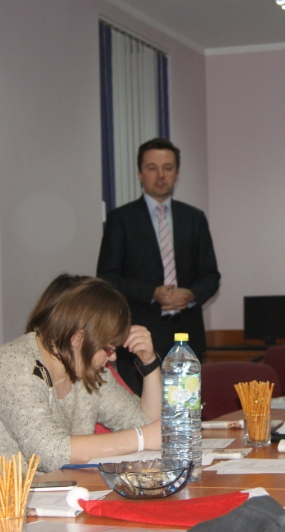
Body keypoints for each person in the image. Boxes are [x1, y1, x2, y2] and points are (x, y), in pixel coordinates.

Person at [0, 277, 163, 499]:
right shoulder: (12, 366)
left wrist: (150, 363)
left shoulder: (83, 369)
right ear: (78, 339)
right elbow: (51, 453)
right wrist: (142, 438)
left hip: (31, 505)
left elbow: (145, 422)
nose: (112, 358)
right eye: (108, 349)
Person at [97, 138, 220, 392]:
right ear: (140, 174)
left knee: (186, 408)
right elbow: (107, 277)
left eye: (168, 168)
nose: (160, 175)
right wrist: (151, 292)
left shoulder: (194, 218)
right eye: (152, 168)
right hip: (137, 337)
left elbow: (211, 275)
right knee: (141, 409)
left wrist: (190, 294)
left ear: (177, 174)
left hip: (187, 336)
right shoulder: (121, 219)